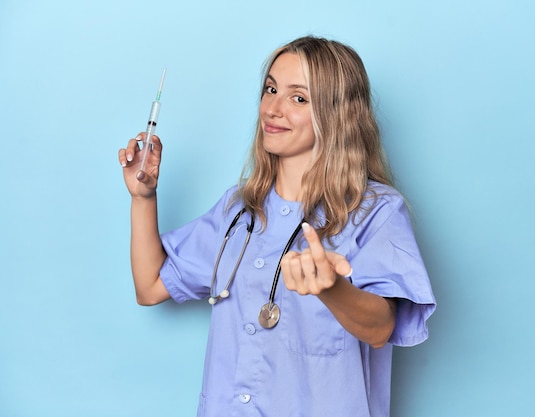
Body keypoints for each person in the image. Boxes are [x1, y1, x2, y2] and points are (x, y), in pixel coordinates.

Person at [118, 35, 435, 417]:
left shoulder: (375, 212)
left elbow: (381, 328)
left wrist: (332, 289)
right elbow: (150, 287)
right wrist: (143, 198)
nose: (273, 108)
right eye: (270, 89)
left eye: (298, 98)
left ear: (338, 114)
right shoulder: (239, 209)